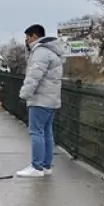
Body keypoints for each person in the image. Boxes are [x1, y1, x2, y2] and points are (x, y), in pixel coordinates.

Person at [16, 24, 64, 178]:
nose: (26, 41)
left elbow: (33, 76)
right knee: (47, 133)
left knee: (36, 132)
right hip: (51, 99)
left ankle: (36, 167)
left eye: (27, 37)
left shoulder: (40, 52)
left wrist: (24, 94)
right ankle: (46, 165)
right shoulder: (52, 51)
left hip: (40, 98)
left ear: (34, 36)